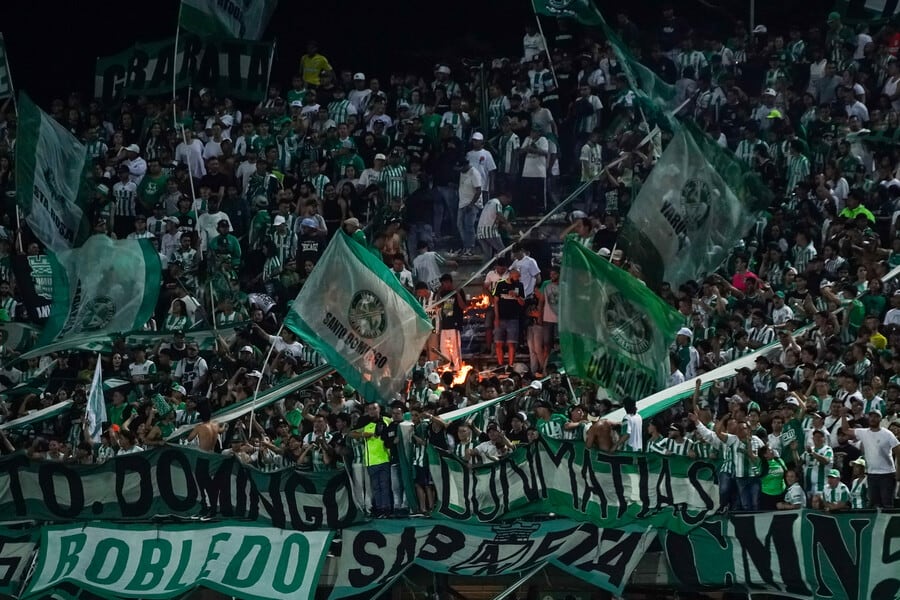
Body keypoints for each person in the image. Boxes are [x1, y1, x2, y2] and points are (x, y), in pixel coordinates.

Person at [841, 409, 900, 508]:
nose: (873, 418)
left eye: (876, 416)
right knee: (874, 504)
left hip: (887, 475)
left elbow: (898, 452)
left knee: (887, 504)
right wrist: (843, 416)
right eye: (871, 416)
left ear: (880, 419)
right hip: (872, 474)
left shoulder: (887, 434)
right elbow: (846, 430)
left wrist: (898, 472)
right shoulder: (864, 433)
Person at [493, 266, 525, 368]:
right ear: (511, 275)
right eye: (516, 276)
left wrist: (516, 296)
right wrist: (496, 317)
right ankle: (500, 365)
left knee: (511, 343)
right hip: (501, 317)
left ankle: (510, 365)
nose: (518, 278)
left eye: (519, 276)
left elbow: (522, 303)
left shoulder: (519, 285)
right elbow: (496, 301)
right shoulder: (500, 284)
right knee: (498, 343)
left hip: (513, 318)